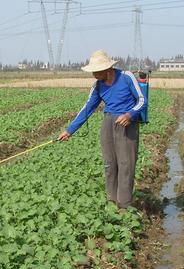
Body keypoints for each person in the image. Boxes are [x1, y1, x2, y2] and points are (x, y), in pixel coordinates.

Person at [58, 50, 147, 209]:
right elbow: (87, 109)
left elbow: (142, 100)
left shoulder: (126, 77)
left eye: (97, 71)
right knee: (109, 164)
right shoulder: (98, 85)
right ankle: (112, 203)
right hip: (108, 124)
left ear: (108, 69)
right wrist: (69, 130)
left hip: (126, 124)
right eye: (93, 71)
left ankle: (124, 206)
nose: (94, 74)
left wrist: (130, 115)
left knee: (126, 165)